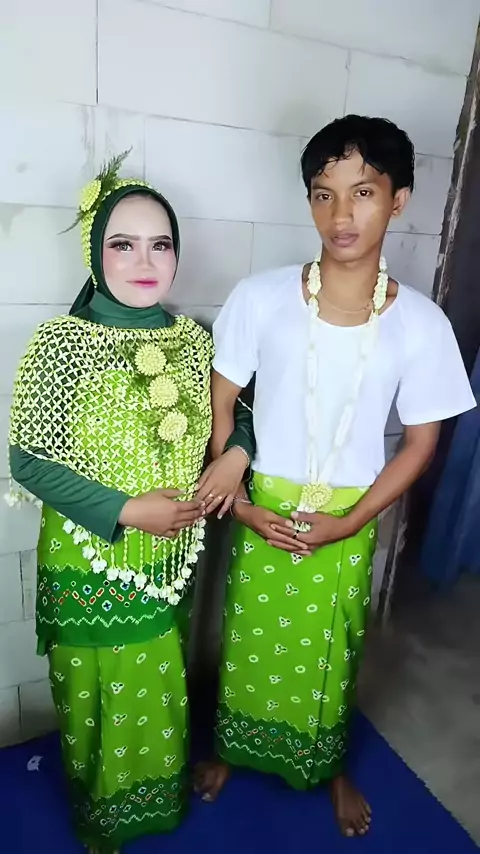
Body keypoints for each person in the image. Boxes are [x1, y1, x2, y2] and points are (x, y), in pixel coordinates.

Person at [195, 115, 476, 836]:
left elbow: (420, 444)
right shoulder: (260, 297)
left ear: (398, 200)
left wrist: (351, 521)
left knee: (334, 650)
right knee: (248, 640)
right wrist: (242, 503)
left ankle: (330, 767)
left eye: (363, 192)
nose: (341, 214)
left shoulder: (421, 324)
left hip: (349, 514)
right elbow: (223, 402)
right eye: (324, 194)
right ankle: (232, 749)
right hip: (263, 503)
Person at [6, 152, 253, 853]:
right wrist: (124, 509)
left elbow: (240, 414)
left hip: (170, 559)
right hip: (92, 556)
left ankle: (157, 804)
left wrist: (235, 455)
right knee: (98, 695)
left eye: (160, 244)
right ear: (96, 252)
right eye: (123, 244)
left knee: (158, 688)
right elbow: (27, 460)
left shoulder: (193, 342)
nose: (144, 261)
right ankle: (104, 821)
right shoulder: (62, 344)